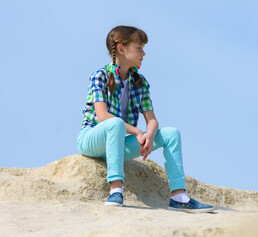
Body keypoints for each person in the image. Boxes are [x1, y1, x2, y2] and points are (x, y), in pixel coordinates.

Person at [77, 25, 214, 213]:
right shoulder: (99, 76)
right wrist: (137, 132)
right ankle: (116, 190)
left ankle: (178, 196)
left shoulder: (140, 82)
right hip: (92, 139)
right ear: (121, 49)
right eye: (139, 48)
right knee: (115, 123)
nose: (144, 53)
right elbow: (103, 117)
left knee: (171, 134)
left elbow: (152, 120)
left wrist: (149, 135)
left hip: (117, 145)